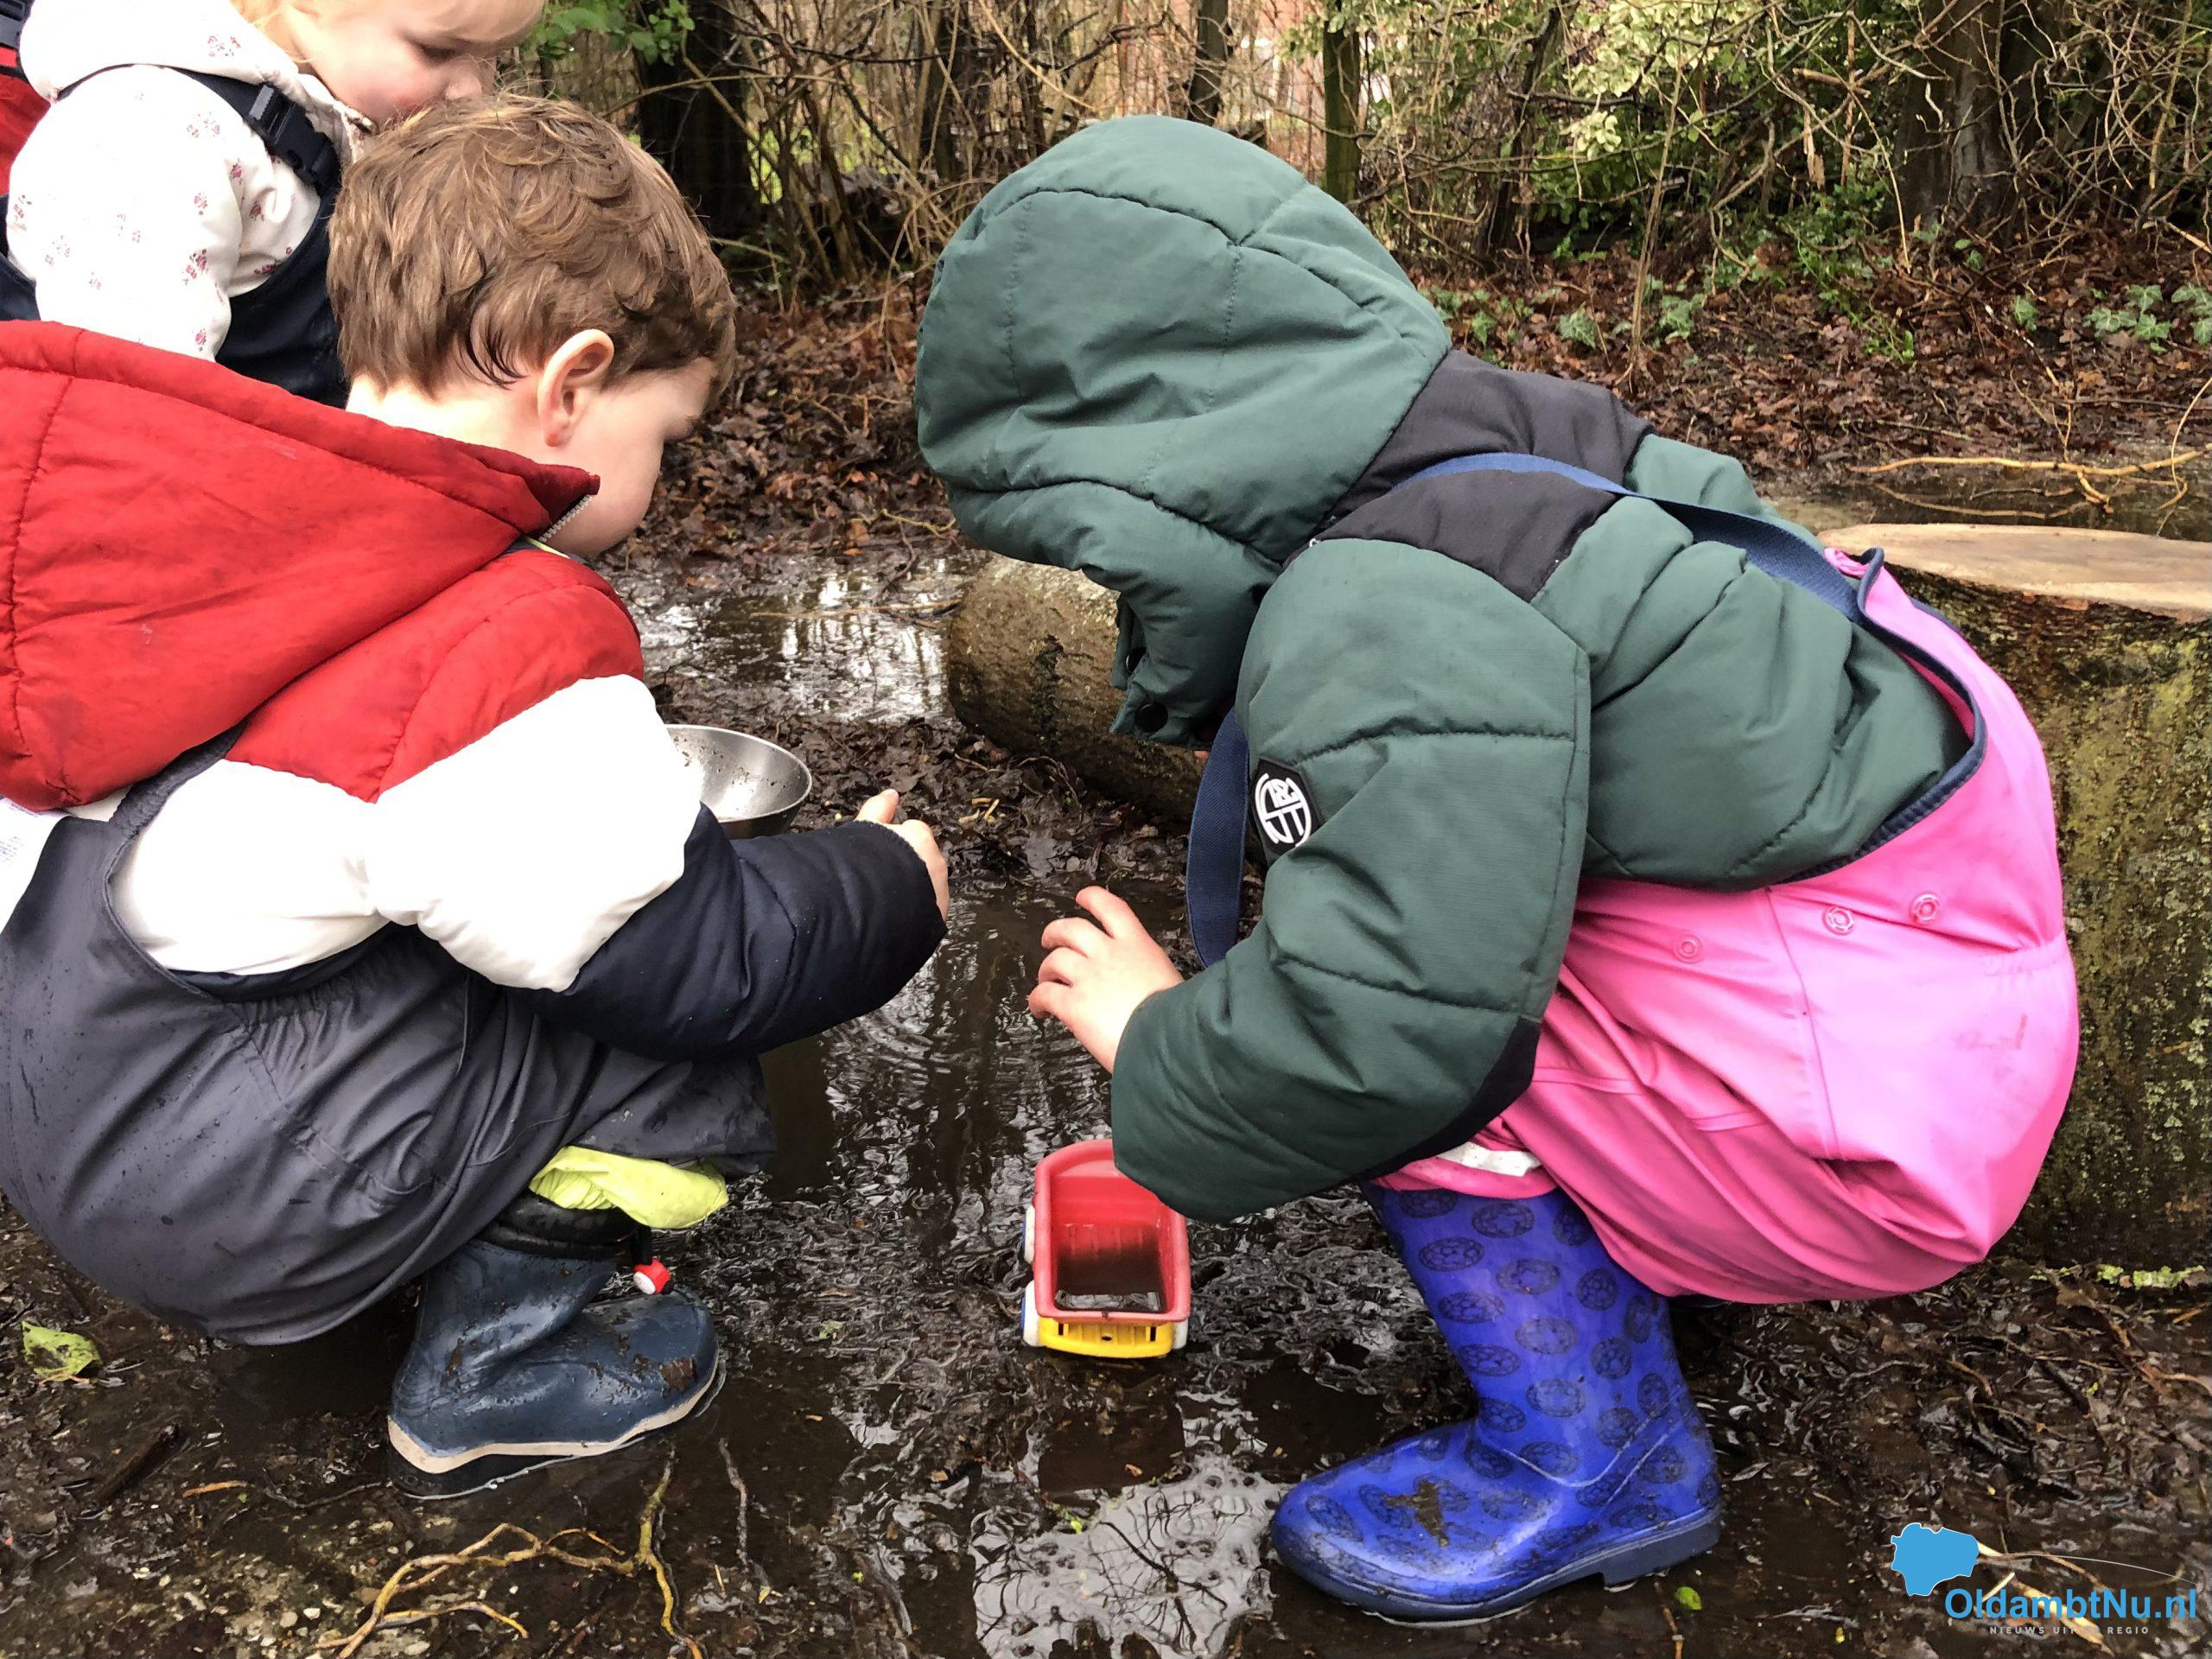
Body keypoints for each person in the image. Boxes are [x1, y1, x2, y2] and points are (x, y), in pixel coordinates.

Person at [913, 117, 2076, 1621]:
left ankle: (1598, 1461)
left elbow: (1386, 1033)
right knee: (1433, 933)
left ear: (1138, 469)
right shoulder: (1528, 452)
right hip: (1930, 1007)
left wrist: (1161, 1040)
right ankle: (1657, 1256)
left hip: (1862, 1139)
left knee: (1396, 1040)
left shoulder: (1387, 602)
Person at [0, 94, 949, 1497]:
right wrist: (886, 888)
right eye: (665, 434)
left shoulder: (255, 521)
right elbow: (704, 960)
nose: (662, 473)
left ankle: (382, 1231)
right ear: (570, 384)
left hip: (79, 1103)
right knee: (673, 1063)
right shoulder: (493, 631)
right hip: (213, 1190)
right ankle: (496, 1370)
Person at [0, 0, 544, 402]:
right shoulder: (152, 133)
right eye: (439, 51)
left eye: (491, 57)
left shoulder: (337, 111)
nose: (473, 90)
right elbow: (139, 400)